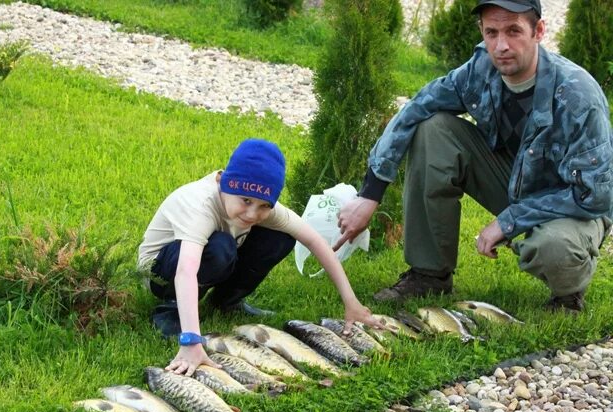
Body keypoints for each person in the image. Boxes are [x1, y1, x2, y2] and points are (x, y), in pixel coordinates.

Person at [334, 0, 613, 312]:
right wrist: (370, 194)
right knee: (433, 129)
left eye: (513, 31)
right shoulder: (480, 69)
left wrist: (509, 221)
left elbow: (595, 195)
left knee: (555, 247)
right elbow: (416, 108)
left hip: (573, 203)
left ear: (539, 31)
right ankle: (429, 275)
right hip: (514, 180)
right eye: (491, 32)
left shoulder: (577, 96)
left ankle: (567, 296)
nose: (501, 45)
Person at [138, 138, 383, 375]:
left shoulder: (255, 206)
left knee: (280, 237)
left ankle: (227, 301)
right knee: (220, 247)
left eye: (265, 206)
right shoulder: (201, 205)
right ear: (224, 182)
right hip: (162, 274)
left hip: (208, 258)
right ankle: (171, 310)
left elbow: (314, 240)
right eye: (246, 201)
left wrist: (351, 302)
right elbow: (186, 270)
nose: (253, 213)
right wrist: (191, 340)